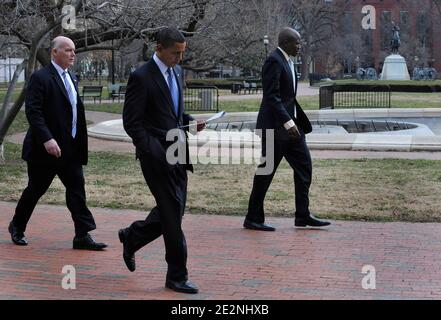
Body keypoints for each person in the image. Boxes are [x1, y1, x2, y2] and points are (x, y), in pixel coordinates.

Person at [120, 27, 205, 294]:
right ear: (159, 48)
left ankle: (132, 236)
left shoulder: (177, 72)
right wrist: (152, 150)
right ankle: (176, 276)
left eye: (182, 53)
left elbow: (170, 111)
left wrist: (190, 122)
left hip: (179, 152)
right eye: (175, 53)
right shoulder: (141, 77)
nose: (180, 58)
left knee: (175, 211)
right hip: (156, 157)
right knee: (171, 216)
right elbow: (132, 123)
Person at [8, 36, 107, 250]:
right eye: (68, 50)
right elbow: (33, 112)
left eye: (74, 50)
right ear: (54, 52)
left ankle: (82, 235)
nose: (73, 54)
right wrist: (47, 139)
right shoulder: (40, 78)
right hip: (45, 150)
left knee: (77, 190)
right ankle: (17, 226)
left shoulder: (71, 76)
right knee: (35, 189)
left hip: (69, 148)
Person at [244, 28, 331, 232]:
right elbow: (271, 96)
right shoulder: (274, 60)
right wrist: (288, 122)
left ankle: (302, 215)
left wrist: (294, 122)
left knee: (304, 167)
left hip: (292, 128)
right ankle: (253, 217)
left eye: (300, 42)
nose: (299, 46)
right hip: (275, 127)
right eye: (296, 42)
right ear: (284, 42)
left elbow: (288, 97)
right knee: (265, 172)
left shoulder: (289, 62)